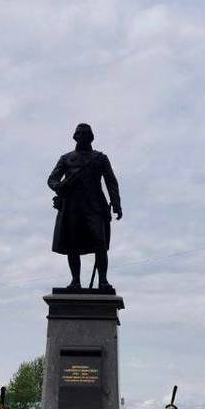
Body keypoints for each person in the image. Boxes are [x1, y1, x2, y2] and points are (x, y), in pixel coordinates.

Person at [48, 122, 123, 290]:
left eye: (85, 133)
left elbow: (111, 181)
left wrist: (116, 203)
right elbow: (52, 179)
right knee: (72, 244)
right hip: (72, 207)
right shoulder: (66, 158)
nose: (81, 136)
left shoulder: (100, 158)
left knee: (100, 242)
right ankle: (75, 281)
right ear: (75, 137)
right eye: (78, 133)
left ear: (91, 137)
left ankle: (102, 281)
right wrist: (58, 186)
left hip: (94, 205)